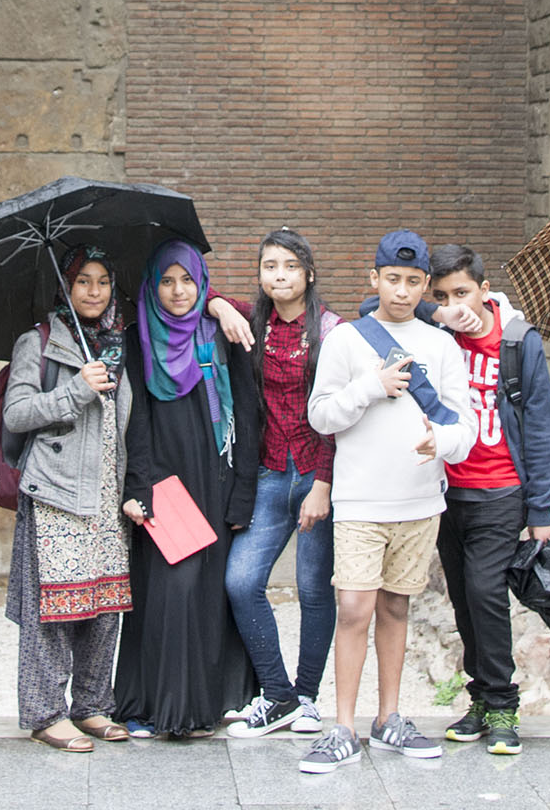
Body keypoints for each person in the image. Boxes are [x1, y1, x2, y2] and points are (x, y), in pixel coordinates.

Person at [297, 231, 473, 773]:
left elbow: (464, 426)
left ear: (426, 285)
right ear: (374, 278)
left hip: (418, 502)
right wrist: (370, 387)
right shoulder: (346, 341)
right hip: (359, 501)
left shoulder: (441, 345)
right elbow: (320, 415)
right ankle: (342, 727)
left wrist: (440, 442)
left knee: (397, 607)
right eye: (392, 279)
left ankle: (389, 718)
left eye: (413, 282)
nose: (401, 291)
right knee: (354, 608)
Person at [112, 243, 259, 740]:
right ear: (152, 286)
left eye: (188, 280)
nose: (178, 291)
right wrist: (140, 486)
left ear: (202, 283)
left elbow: (248, 415)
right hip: (164, 485)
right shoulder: (138, 339)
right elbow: (135, 420)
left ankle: (203, 708)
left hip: (216, 481)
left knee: (207, 597)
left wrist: (243, 493)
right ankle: (153, 707)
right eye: (167, 281)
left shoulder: (221, 335)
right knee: (167, 594)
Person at [427, 245, 550, 756]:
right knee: (464, 599)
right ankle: (480, 699)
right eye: (442, 296)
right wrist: (437, 314)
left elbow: (541, 427)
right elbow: (375, 308)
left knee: (486, 592)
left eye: (462, 293)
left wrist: (541, 508)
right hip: (448, 492)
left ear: (485, 290)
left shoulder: (519, 342)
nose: (454, 304)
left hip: (502, 490)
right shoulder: (439, 336)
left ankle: (504, 703)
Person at [0, 249, 134, 750]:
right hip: (56, 491)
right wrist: (75, 389)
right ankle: (45, 713)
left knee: (104, 603)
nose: (94, 291)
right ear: (66, 287)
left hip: (106, 493)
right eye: (83, 281)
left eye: (103, 281)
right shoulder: (38, 341)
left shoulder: (119, 344)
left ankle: (93, 705)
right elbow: (16, 414)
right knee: (53, 609)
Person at [219, 229, 340, 740]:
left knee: (313, 589)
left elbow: (339, 417)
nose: (280, 275)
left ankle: (307, 697)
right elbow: (203, 292)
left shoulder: (332, 332)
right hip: (269, 473)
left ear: (308, 273)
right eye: (270, 266)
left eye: (290, 266)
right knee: (241, 582)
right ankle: (278, 694)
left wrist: (324, 485)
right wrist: (217, 304)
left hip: (316, 473)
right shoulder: (252, 323)